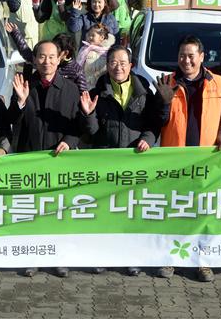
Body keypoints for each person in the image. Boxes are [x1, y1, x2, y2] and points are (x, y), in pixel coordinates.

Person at [79, 45, 164, 276]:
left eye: (123, 63)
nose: (118, 67)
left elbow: (154, 122)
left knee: (132, 210)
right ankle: (103, 256)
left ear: (131, 65)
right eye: (113, 63)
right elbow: (92, 133)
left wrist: (147, 138)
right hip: (106, 161)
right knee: (105, 211)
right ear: (106, 66)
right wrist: (88, 114)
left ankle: (132, 257)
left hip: (134, 162)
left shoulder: (144, 91)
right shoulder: (98, 91)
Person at [155, 35, 221, 282]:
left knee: (203, 212)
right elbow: (157, 122)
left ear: (201, 56)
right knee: (174, 211)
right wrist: (164, 103)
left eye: (191, 55)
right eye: (181, 55)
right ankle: (170, 260)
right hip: (175, 160)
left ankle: (203, 262)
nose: (185, 60)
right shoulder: (167, 82)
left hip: (205, 161)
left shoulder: (218, 82)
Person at [10, 40, 83, 278]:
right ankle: (32, 257)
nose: (46, 62)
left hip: (58, 160)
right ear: (34, 59)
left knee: (58, 211)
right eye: (41, 56)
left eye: (52, 57)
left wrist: (70, 141)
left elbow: (79, 125)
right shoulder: (25, 85)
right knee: (32, 211)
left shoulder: (71, 89)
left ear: (60, 58)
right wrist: (20, 101)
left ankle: (59, 258)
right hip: (29, 158)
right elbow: (11, 120)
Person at [76, 24, 115, 89]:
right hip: (85, 86)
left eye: (93, 35)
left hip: (103, 87)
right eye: (89, 35)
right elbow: (77, 66)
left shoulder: (109, 52)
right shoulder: (85, 49)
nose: (90, 37)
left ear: (101, 37)